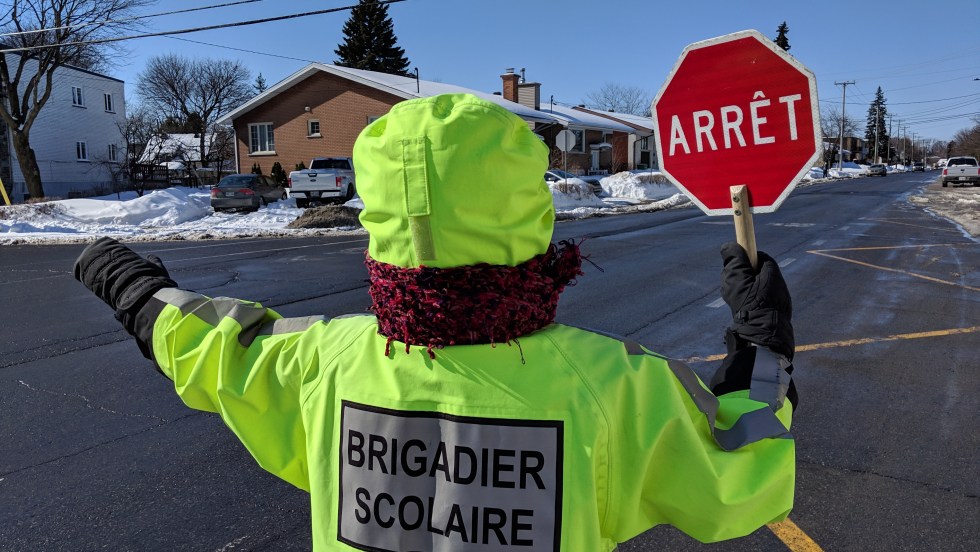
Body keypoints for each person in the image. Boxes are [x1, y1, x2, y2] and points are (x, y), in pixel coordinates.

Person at [74, 93, 797, 552]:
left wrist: (137, 292)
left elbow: (219, 350)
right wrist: (761, 347)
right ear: (531, 217)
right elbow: (738, 476)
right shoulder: (614, 386)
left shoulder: (325, 363)